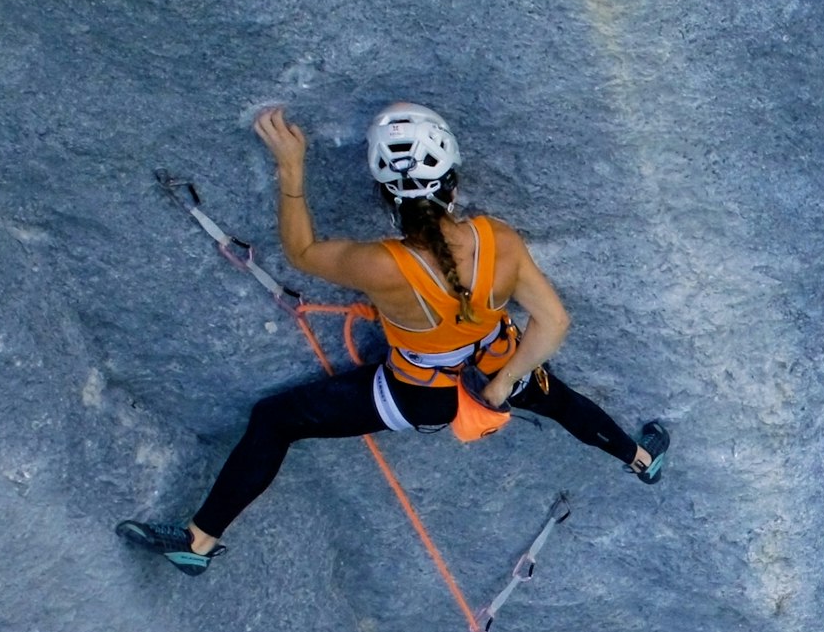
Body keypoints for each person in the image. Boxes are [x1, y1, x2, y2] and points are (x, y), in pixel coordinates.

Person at [119, 103, 664, 573]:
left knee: (276, 422)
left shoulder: (382, 265)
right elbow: (554, 323)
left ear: (387, 196)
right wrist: (501, 387)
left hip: (418, 396)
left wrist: (291, 168)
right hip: (496, 367)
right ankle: (642, 459)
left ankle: (199, 541)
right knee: (561, 402)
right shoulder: (498, 240)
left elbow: (303, 252)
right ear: (453, 183)